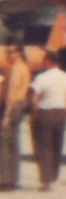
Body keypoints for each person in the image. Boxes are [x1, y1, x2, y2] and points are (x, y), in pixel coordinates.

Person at [28, 52, 66, 192]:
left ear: (49, 62)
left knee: (44, 146)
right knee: (57, 145)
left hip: (45, 112)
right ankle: (54, 176)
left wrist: (35, 112)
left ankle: (46, 180)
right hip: (61, 112)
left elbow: (34, 98)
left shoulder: (41, 78)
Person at [0, 45, 32, 190]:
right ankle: (12, 178)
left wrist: (6, 115)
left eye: (11, 52)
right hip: (19, 107)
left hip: (12, 107)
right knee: (13, 142)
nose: (8, 54)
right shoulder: (24, 67)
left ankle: (5, 180)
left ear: (19, 53)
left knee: (5, 143)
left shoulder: (15, 69)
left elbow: (11, 93)